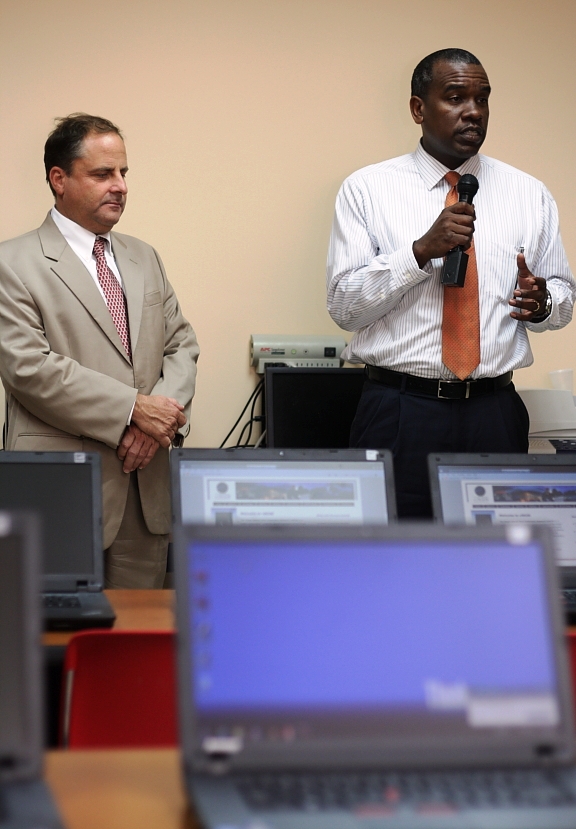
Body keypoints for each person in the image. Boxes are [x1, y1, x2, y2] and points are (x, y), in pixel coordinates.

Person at [326, 48, 575, 519]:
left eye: (482, 99)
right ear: (419, 109)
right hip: (399, 411)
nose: (474, 112)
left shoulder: (529, 193)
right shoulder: (367, 189)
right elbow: (344, 305)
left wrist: (542, 304)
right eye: (456, 97)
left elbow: (562, 297)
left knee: (492, 567)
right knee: (395, 565)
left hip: (493, 412)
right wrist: (419, 251)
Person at [0, 114, 199, 586]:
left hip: (144, 484)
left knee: (135, 642)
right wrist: (133, 411)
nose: (120, 186)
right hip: (60, 487)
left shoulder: (143, 256)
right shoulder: (12, 263)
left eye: (124, 173)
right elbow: (29, 368)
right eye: (102, 174)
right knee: (51, 645)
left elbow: (182, 344)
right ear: (59, 179)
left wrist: (157, 422)